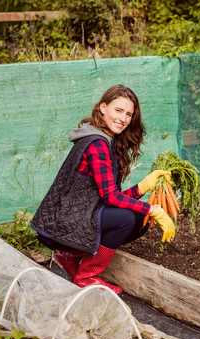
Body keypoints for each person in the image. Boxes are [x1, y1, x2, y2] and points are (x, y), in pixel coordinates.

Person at [31, 85, 175, 295]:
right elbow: (110, 198)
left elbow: (106, 198)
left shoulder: (102, 139)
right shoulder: (97, 143)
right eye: (118, 110)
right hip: (59, 225)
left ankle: (69, 256)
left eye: (128, 114)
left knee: (138, 218)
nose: (123, 119)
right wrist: (153, 209)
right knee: (128, 218)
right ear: (102, 108)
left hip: (73, 217)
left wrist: (142, 187)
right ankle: (86, 277)